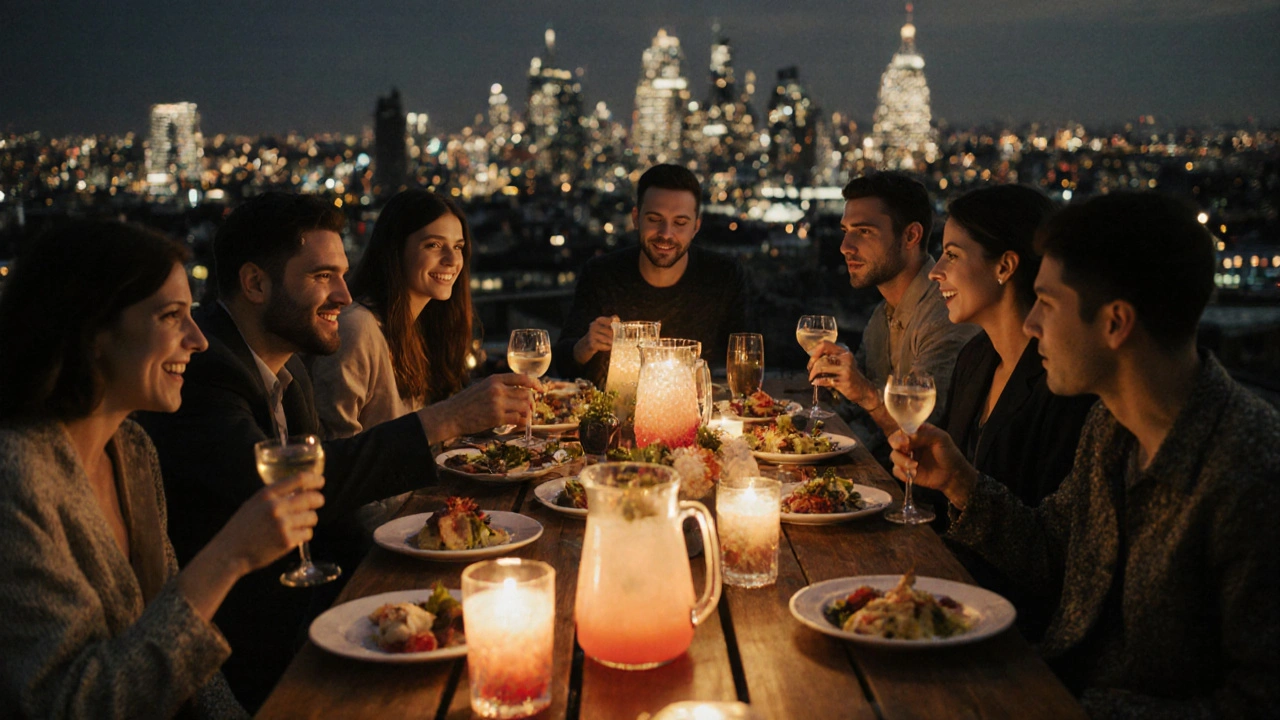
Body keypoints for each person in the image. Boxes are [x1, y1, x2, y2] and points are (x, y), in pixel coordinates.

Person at [137, 192, 535, 710]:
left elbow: (327, 491)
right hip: (251, 658)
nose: (346, 295)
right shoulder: (208, 373)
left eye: (343, 274)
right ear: (255, 283)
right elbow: (286, 491)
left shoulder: (289, 365)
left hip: (311, 617)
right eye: (322, 276)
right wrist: (445, 419)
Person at [890, 192, 1280, 716]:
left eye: (1047, 305)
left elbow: (1260, 698)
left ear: (1115, 323)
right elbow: (1052, 551)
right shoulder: (1112, 428)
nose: (1031, 325)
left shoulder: (1248, 469)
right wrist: (962, 482)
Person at [0, 221, 323, 719]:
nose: (199, 339)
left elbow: (183, 651)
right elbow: (69, 703)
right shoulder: (17, 478)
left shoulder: (131, 450)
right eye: (172, 316)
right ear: (93, 332)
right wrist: (230, 556)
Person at [309, 188, 529, 439]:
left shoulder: (424, 324)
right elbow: (339, 454)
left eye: (457, 247)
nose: (451, 259)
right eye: (433, 245)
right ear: (395, 249)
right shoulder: (356, 328)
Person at [808, 172, 979, 452]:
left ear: (911, 235)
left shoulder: (946, 316)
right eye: (845, 231)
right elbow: (855, 410)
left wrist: (864, 392)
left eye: (864, 232)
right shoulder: (880, 318)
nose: (845, 247)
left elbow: (922, 438)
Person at [554, 164, 750, 386]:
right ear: (636, 218)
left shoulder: (723, 276)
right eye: (655, 219)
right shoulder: (601, 274)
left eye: (680, 223)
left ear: (696, 226)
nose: (666, 234)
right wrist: (586, 345)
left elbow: (746, 359)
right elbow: (563, 365)